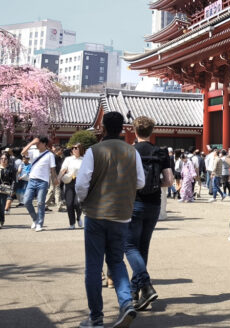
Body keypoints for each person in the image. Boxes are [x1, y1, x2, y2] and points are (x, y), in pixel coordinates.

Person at [75, 111, 144, 328]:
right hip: (122, 214)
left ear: (102, 128)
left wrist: (84, 200)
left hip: (96, 214)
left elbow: (81, 185)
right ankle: (126, 303)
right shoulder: (133, 152)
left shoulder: (94, 151)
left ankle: (96, 317)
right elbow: (140, 182)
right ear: (123, 129)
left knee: (93, 267)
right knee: (116, 261)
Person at [125, 116, 173, 312]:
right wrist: (154, 185)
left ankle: (144, 285)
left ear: (134, 131)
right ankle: (136, 294)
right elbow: (169, 181)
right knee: (143, 246)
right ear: (152, 131)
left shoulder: (129, 151)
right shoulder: (161, 152)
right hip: (153, 204)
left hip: (133, 203)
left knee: (129, 245)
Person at [22, 136, 58, 231]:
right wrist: (32, 143)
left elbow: (52, 169)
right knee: (26, 201)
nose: (37, 145)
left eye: (38, 143)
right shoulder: (34, 152)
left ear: (44, 144)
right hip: (32, 180)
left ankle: (40, 224)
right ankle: (35, 218)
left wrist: (54, 179)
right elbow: (23, 152)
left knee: (41, 203)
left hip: (43, 181)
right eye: (36, 143)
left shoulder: (50, 155)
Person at [59, 143, 85, 229]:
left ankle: (78, 217)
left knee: (77, 203)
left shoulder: (84, 159)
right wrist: (58, 178)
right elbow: (63, 170)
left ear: (80, 149)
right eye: (73, 148)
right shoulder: (68, 159)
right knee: (69, 204)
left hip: (80, 182)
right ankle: (72, 223)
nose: (74, 149)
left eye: (76, 148)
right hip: (70, 181)